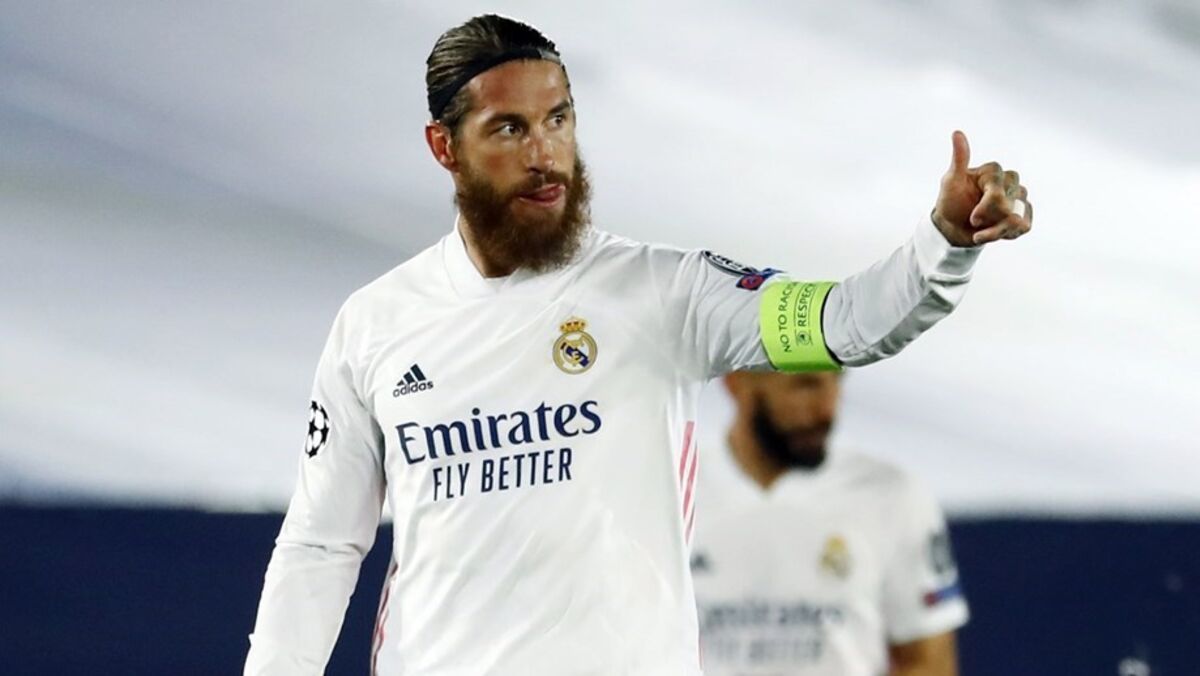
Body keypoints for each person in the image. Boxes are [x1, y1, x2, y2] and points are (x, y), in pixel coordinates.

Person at [244, 13, 1031, 675]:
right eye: (509, 128)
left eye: (559, 119)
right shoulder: (375, 324)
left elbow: (846, 322)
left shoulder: (663, 292)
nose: (545, 153)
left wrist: (944, 244)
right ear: (443, 147)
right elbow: (320, 544)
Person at [691, 370, 968, 676]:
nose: (827, 408)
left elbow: (929, 661)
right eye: (804, 384)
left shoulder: (890, 495)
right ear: (736, 382)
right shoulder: (675, 492)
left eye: (837, 381)